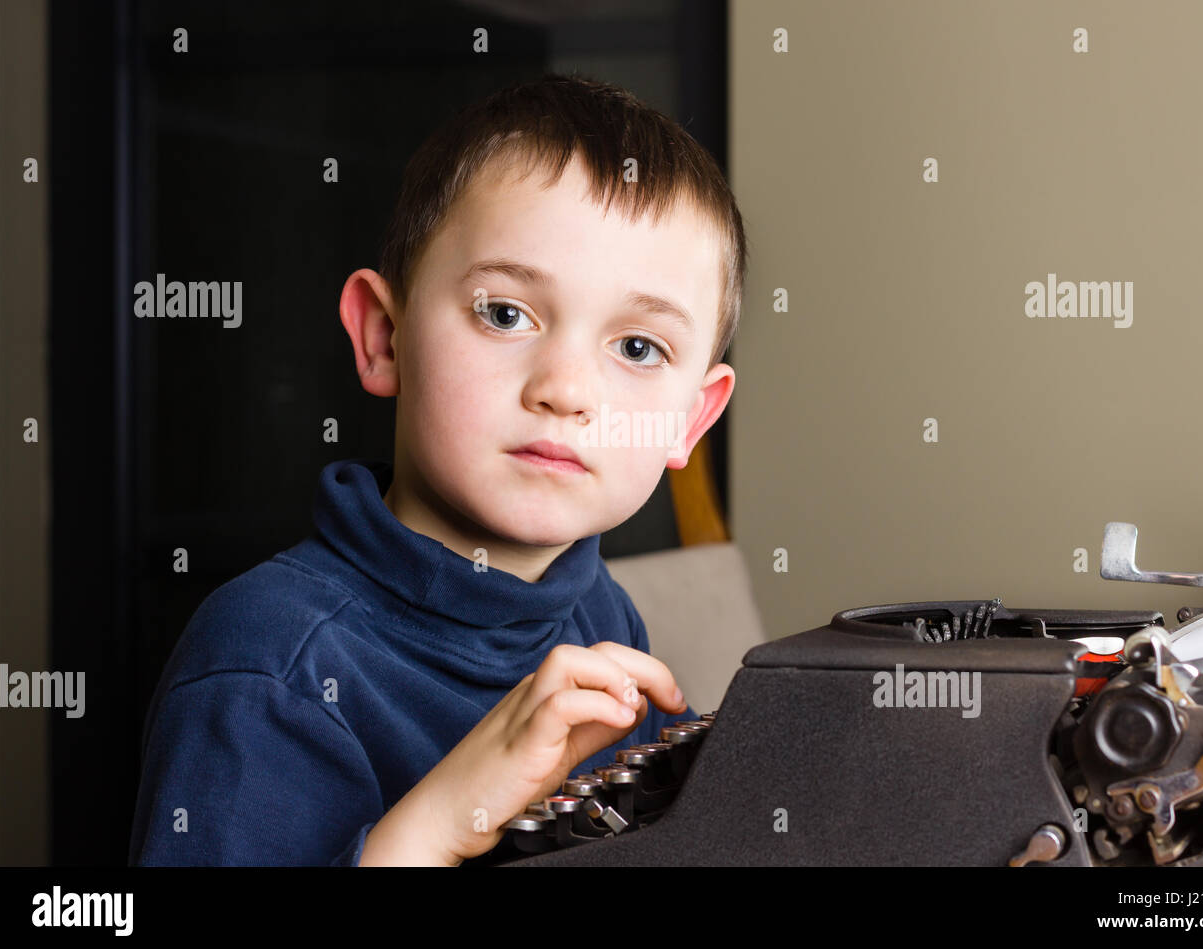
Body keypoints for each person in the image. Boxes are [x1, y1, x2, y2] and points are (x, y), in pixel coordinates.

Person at [129, 72, 748, 866]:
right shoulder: (268, 664)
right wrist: (443, 817)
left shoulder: (599, 609)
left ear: (690, 420)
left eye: (637, 347)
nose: (563, 390)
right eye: (504, 313)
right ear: (385, 338)